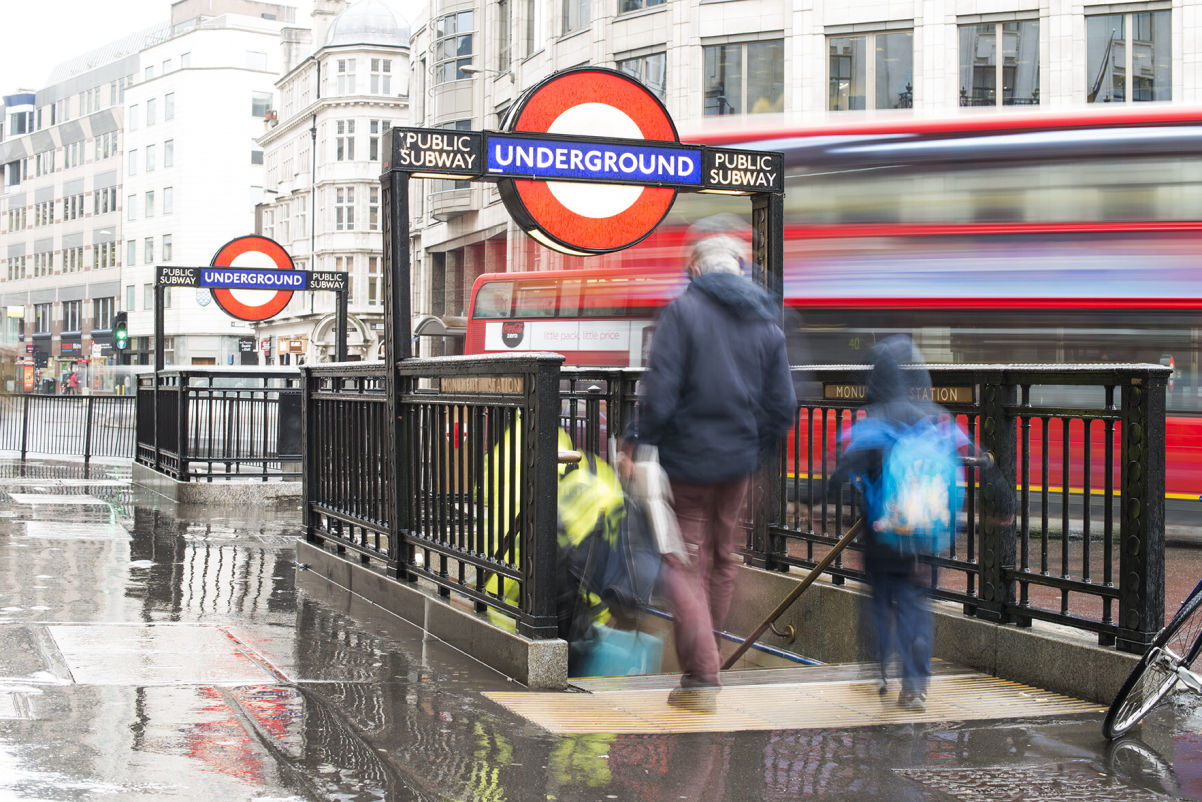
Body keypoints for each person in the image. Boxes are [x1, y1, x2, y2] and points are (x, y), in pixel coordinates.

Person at [622, 231, 797, 713]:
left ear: (696, 270)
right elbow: (783, 407)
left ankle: (702, 672)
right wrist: (752, 450)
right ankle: (711, 656)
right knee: (723, 559)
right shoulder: (766, 322)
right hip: (737, 464)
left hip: (688, 460)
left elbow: (661, 392)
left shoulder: (683, 312)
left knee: (678, 558)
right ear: (738, 270)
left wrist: (637, 440)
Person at [829, 336, 967, 712]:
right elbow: (975, 461)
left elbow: (840, 475)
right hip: (925, 539)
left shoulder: (871, 427)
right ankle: (916, 680)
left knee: (877, 602)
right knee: (913, 602)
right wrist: (1002, 504)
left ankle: (878, 666)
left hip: (881, 540)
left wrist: (816, 496)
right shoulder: (935, 421)